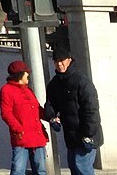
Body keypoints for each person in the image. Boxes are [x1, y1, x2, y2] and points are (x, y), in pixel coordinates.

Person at [44, 47, 101, 175]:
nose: (59, 64)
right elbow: (50, 104)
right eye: (56, 61)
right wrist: (52, 117)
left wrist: (88, 134)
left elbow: (91, 109)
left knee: (82, 168)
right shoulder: (55, 83)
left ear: (69, 60)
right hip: (71, 137)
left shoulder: (81, 81)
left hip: (86, 136)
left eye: (62, 60)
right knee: (75, 168)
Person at [0, 60, 48, 175]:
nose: (28, 75)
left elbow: (38, 109)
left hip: (37, 137)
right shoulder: (6, 90)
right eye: (26, 73)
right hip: (21, 138)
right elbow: (6, 113)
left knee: (41, 170)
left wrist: (50, 116)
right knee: (18, 170)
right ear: (20, 74)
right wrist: (18, 129)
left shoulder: (28, 90)